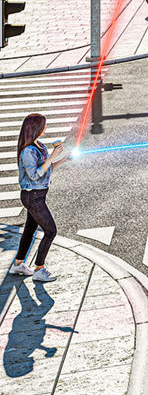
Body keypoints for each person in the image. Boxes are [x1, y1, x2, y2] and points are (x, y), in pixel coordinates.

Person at [9, 113, 68, 282]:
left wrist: (62, 160)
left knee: (30, 230)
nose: (45, 129)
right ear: (35, 128)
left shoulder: (38, 145)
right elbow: (35, 175)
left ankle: (18, 264)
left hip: (37, 195)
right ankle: (39, 269)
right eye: (43, 126)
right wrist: (51, 157)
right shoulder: (28, 151)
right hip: (32, 196)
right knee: (51, 231)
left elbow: (46, 169)